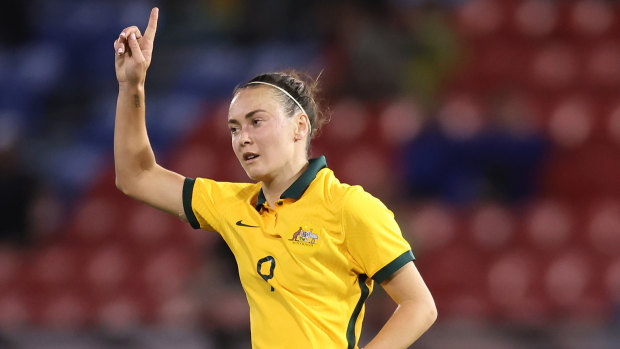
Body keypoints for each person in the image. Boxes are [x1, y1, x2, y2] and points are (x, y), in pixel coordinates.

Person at [113, 8, 436, 349]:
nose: (242, 138)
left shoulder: (349, 207)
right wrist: (131, 85)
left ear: (300, 126)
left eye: (256, 121)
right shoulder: (233, 205)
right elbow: (136, 176)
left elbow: (419, 306)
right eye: (234, 128)